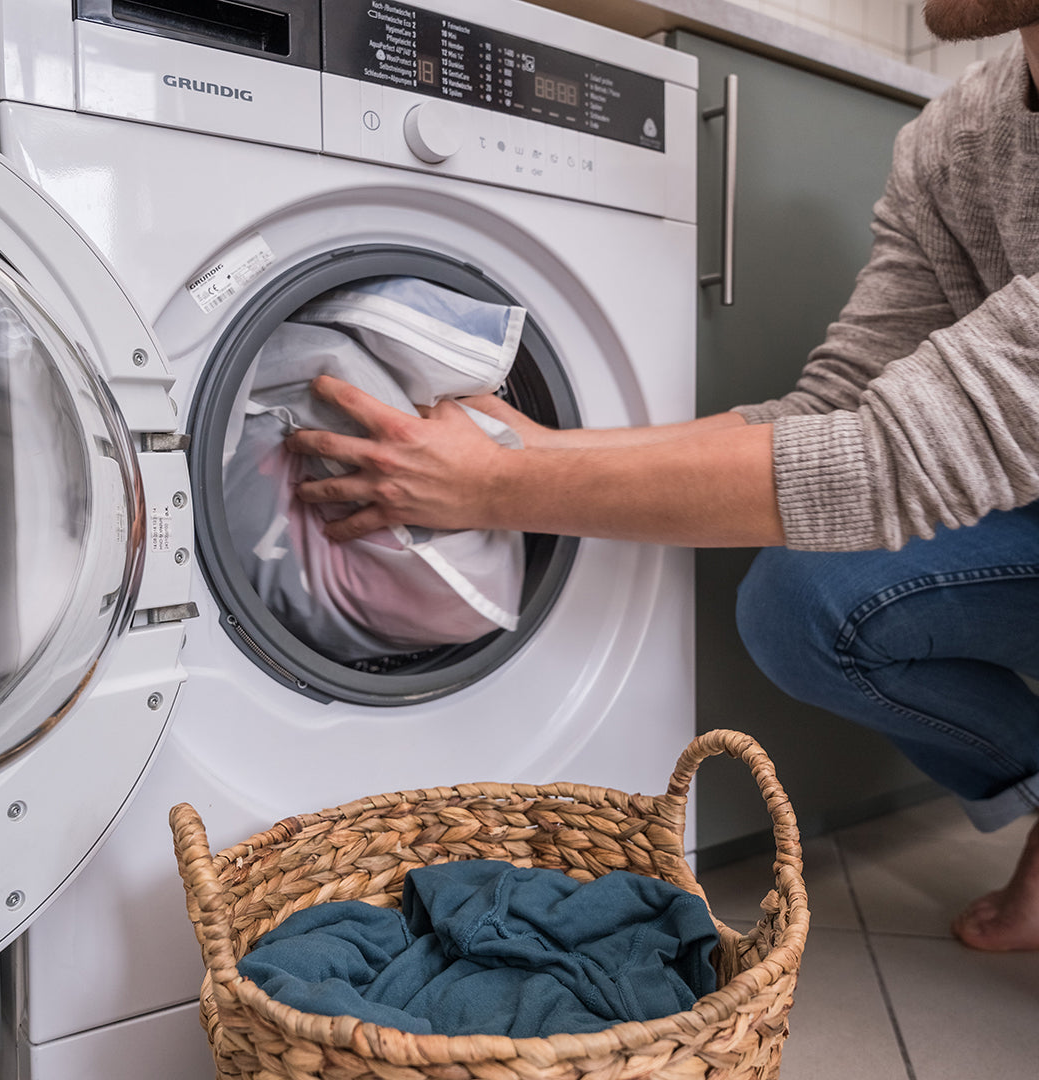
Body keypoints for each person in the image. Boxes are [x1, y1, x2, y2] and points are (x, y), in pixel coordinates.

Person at [285, 0, 1039, 951]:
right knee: (802, 600)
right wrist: (527, 450)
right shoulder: (959, 136)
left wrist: (494, 490)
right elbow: (837, 408)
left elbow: (885, 461)